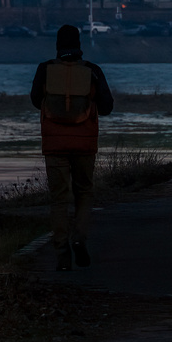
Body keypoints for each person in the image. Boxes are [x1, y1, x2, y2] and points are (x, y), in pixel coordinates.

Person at [30, 25, 115, 272]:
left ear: (57, 45)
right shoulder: (93, 71)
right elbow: (107, 106)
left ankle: (61, 251)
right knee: (84, 193)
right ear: (79, 45)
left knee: (58, 199)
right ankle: (79, 238)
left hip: (54, 144)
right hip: (84, 144)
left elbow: (36, 101)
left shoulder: (44, 69)